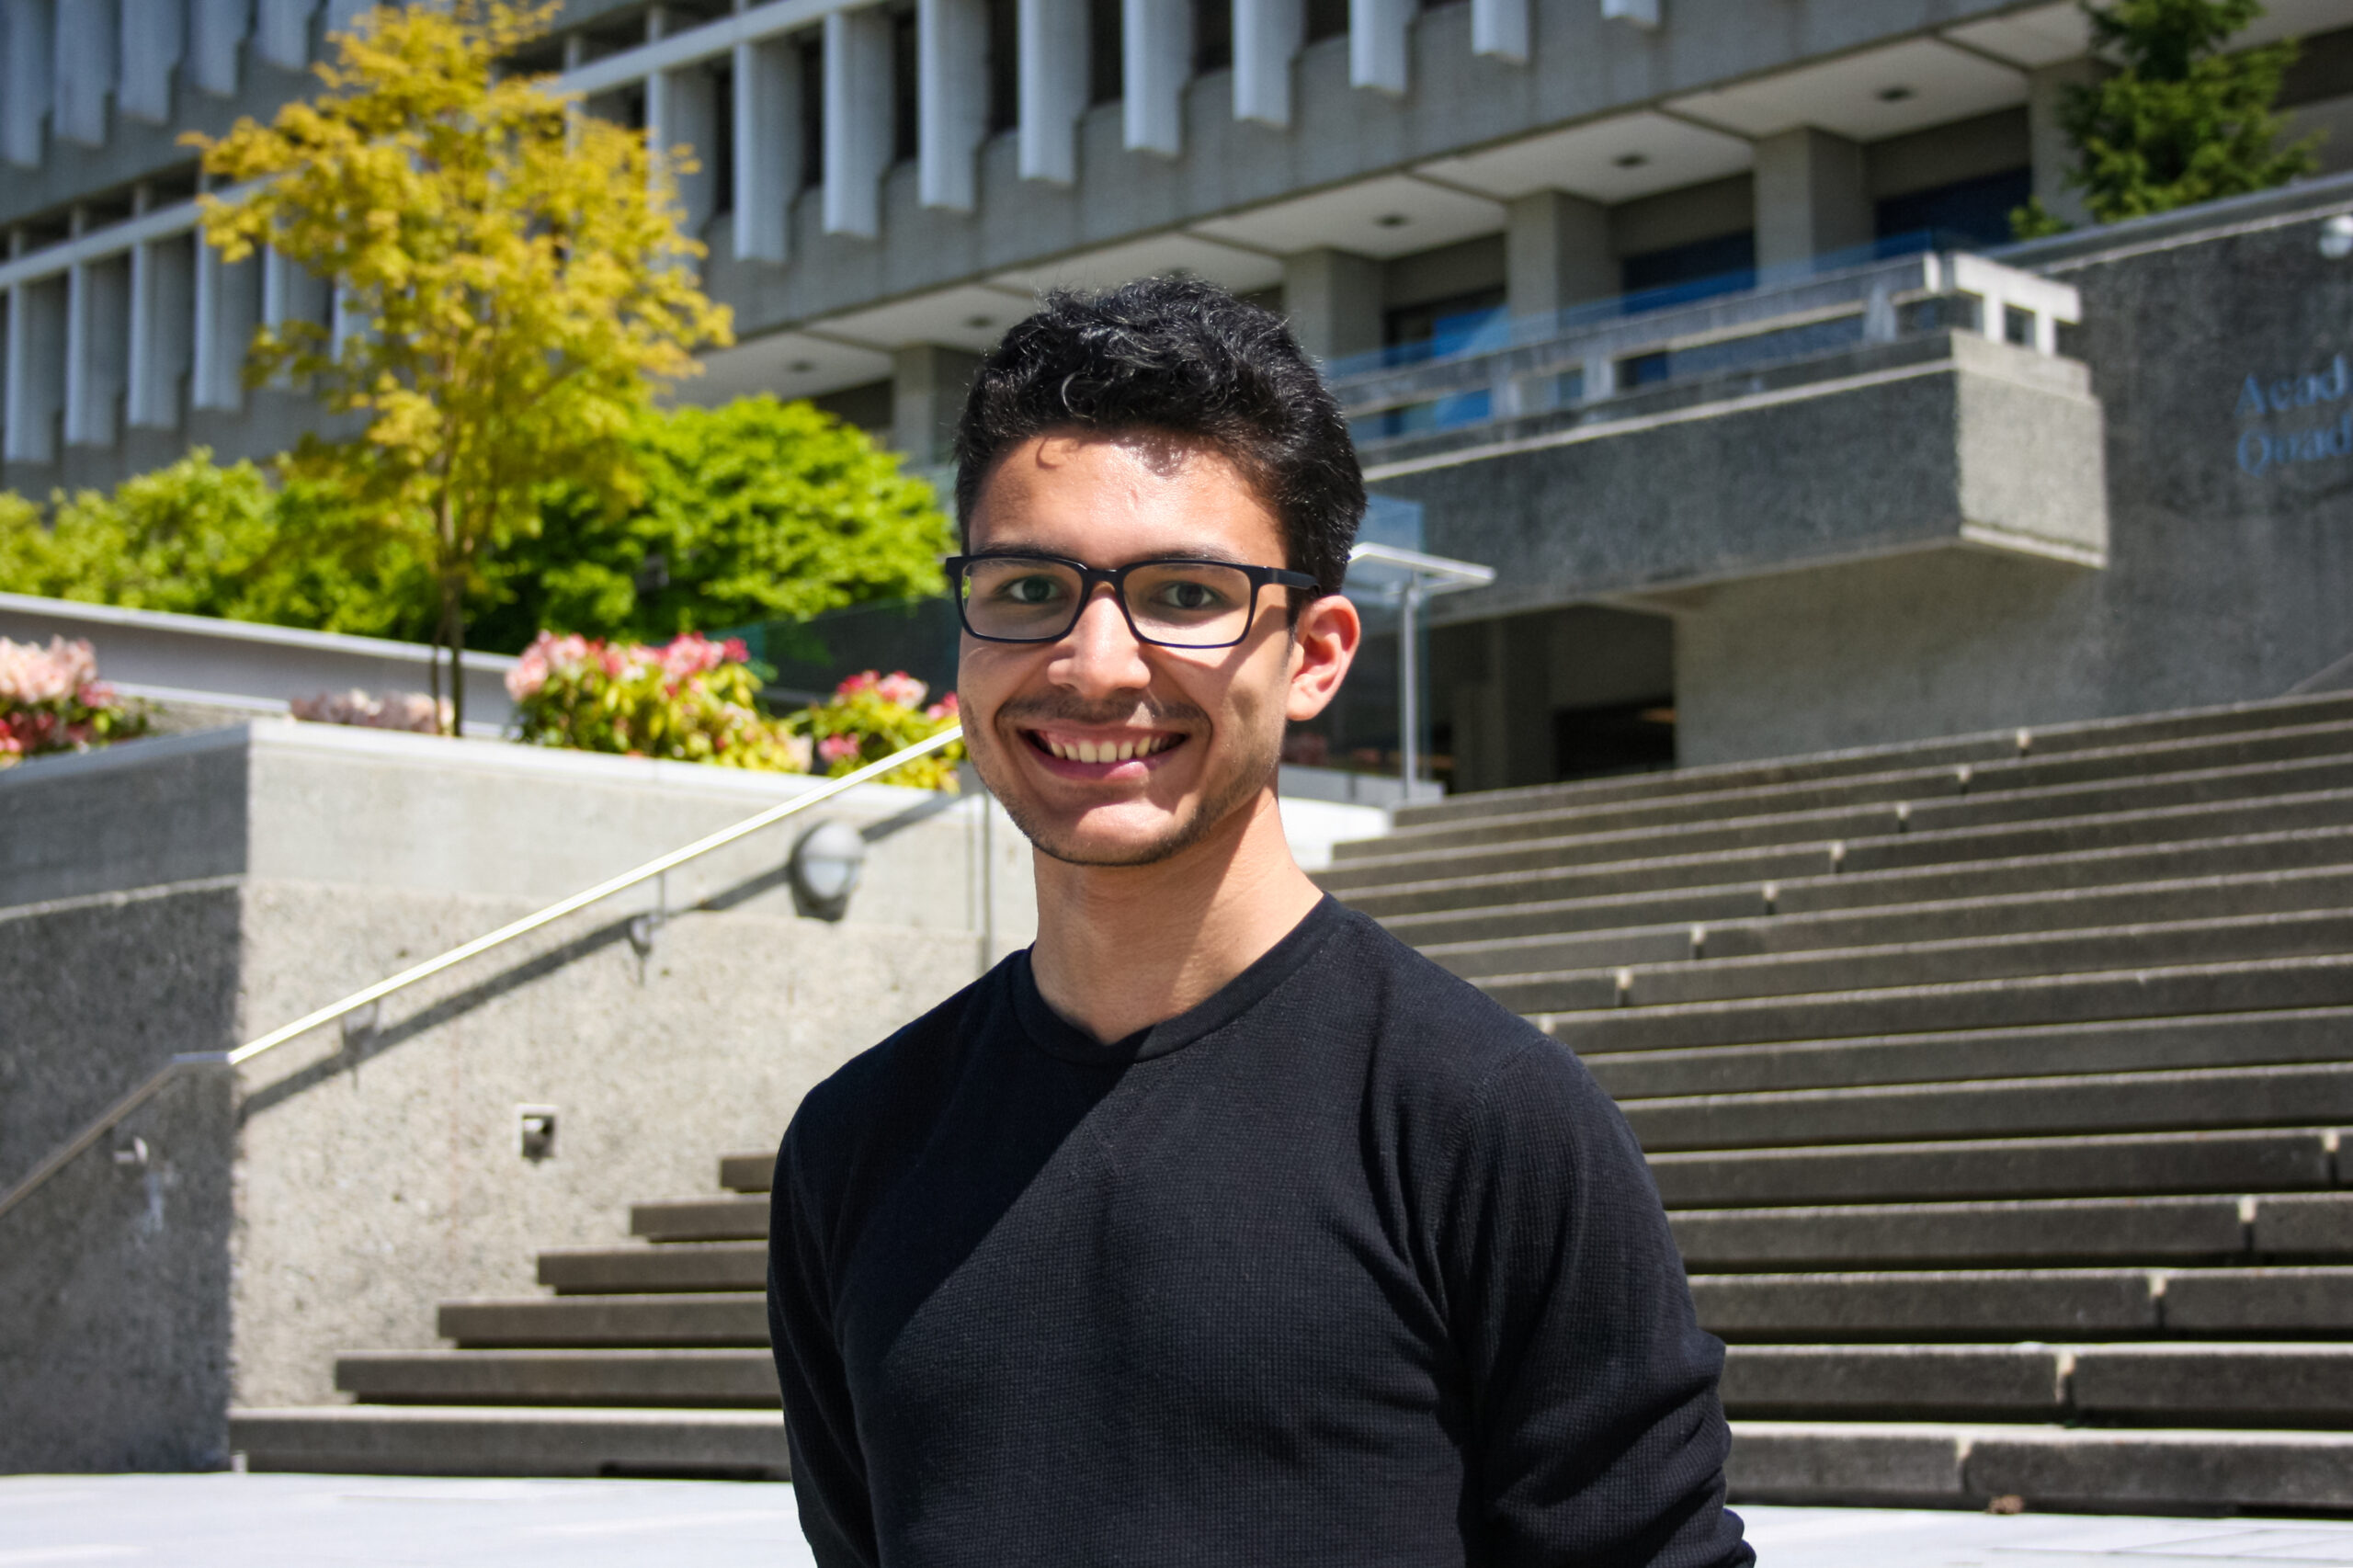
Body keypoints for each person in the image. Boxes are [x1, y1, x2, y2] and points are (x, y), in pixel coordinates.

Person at [767, 278, 1751, 1568]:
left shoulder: (1489, 1124)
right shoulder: (854, 1149)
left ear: (1320, 653)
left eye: (1184, 593)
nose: (1095, 662)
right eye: (1026, 588)